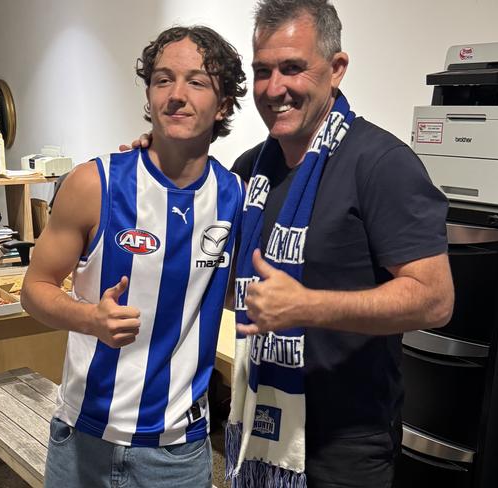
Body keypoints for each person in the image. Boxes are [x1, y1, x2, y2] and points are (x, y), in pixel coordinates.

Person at [132, 1, 454, 487]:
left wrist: (308, 306)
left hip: (344, 444)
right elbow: (196, 234)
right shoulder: (249, 171)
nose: (274, 88)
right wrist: (153, 161)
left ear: (336, 69)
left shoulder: (381, 163)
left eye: (293, 68)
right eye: (263, 71)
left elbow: (435, 299)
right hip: (258, 423)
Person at [21, 25, 246, 488]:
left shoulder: (235, 198)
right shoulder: (94, 184)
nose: (176, 95)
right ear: (148, 94)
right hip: (84, 437)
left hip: (177, 453)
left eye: (197, 81)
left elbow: (234, 292)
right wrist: (90, 319)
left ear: (223, 105)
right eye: (163, 79)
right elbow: (33, 290)